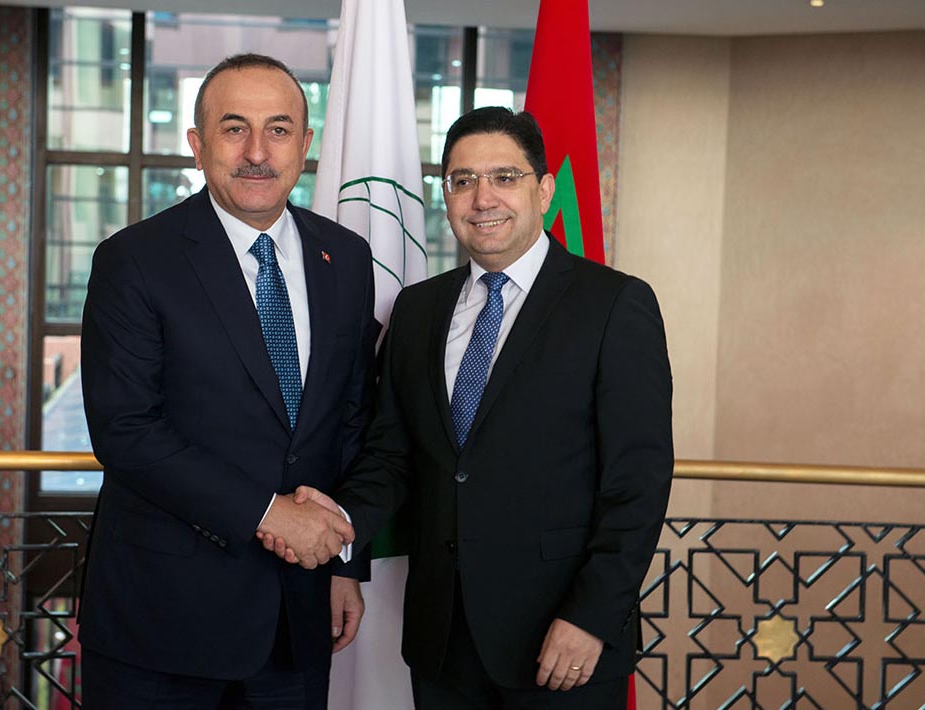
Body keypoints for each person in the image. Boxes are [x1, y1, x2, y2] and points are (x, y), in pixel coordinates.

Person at [265, 106, 673, 709]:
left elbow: (637, 484)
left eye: (504, 177)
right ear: (446, 195)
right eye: (462, 181)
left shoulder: (614, 305)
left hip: (561, 641)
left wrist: (591, 616)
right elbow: (391, 454)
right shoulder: (417, 310)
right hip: (442, 641)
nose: (483, 198)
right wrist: (339, 528)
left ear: (543, 189)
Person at [78, 53, 377, 709]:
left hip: (299, 617)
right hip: (160, 624)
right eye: (233, 127)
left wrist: (345, 563)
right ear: (197, 143)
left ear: (305, 144)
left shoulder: (346, 259)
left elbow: (352, 419)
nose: (256, 153)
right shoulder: (134, 260)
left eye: (278, 129)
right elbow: (125, 429)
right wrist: (269, 514)